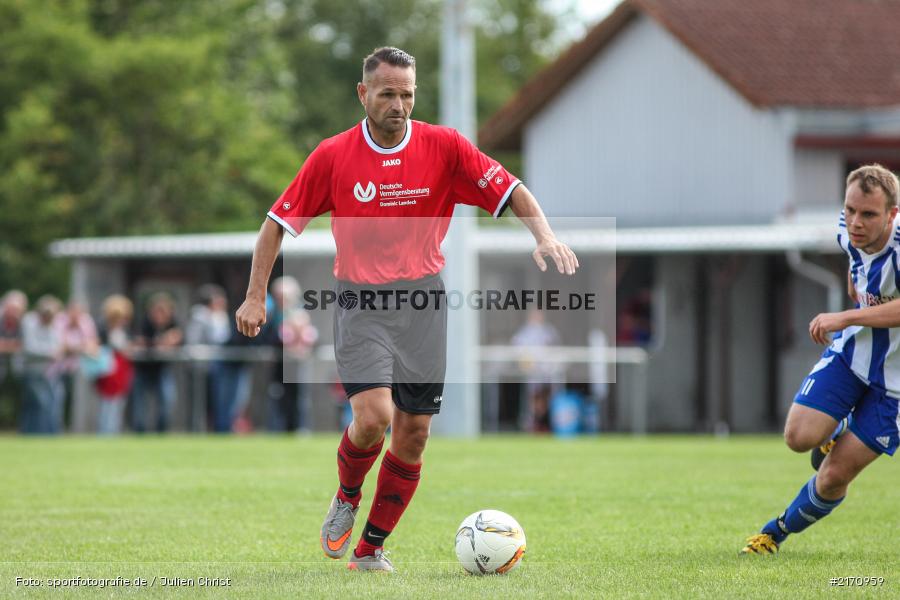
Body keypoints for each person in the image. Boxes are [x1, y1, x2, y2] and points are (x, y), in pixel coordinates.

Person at [235, 47, 579, 572]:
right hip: (360, 302)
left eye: (408, 94)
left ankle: (370, 551)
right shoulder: (332, 155)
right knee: (374, 417)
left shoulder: (444, 147)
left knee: (414, 433)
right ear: (363, 93)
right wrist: (256, 294)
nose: (399, 104)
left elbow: (510, 188)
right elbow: (276, 224)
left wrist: (546, 236)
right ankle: (347, 495)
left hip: (422, 302)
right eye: (388, 93)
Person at [742, 164, 900, 555]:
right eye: (849, 210)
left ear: (893, 214)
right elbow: (855, 272)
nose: (855, 222)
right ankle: (839, 423)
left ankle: (774, 533)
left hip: (896, 386)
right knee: (798, 438)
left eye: (868, 214)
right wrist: (855, 295)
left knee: (832, 478)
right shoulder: (847, 231)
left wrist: (845, 315)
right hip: (854, 355)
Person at [132, 292, 183, 433]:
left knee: (167, 401)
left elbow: (179, 338)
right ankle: (140, 431)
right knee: (141, 404)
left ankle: (162, 431)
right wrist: (159, 343)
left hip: (162, 370)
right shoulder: (143, 323)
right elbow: (138, 342)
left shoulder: (173, 323)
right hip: (143, 370)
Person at [20, 295, 64, 434]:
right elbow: (29, 347)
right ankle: (34, 433)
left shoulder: (52, 324)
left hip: (48, 372)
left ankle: (43, 433)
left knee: (47, 404)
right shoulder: (29, 321)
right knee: (38, 404)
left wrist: (53, 352)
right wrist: (49, 354)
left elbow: (57, 345)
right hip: (31, 369)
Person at [94, 294, 135, 435]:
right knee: (108, 403)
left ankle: (114, 431)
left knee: (118, 403)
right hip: (108, 369)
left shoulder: (124, 331)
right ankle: (105, 432)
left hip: (122, 370)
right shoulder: (103, 330)